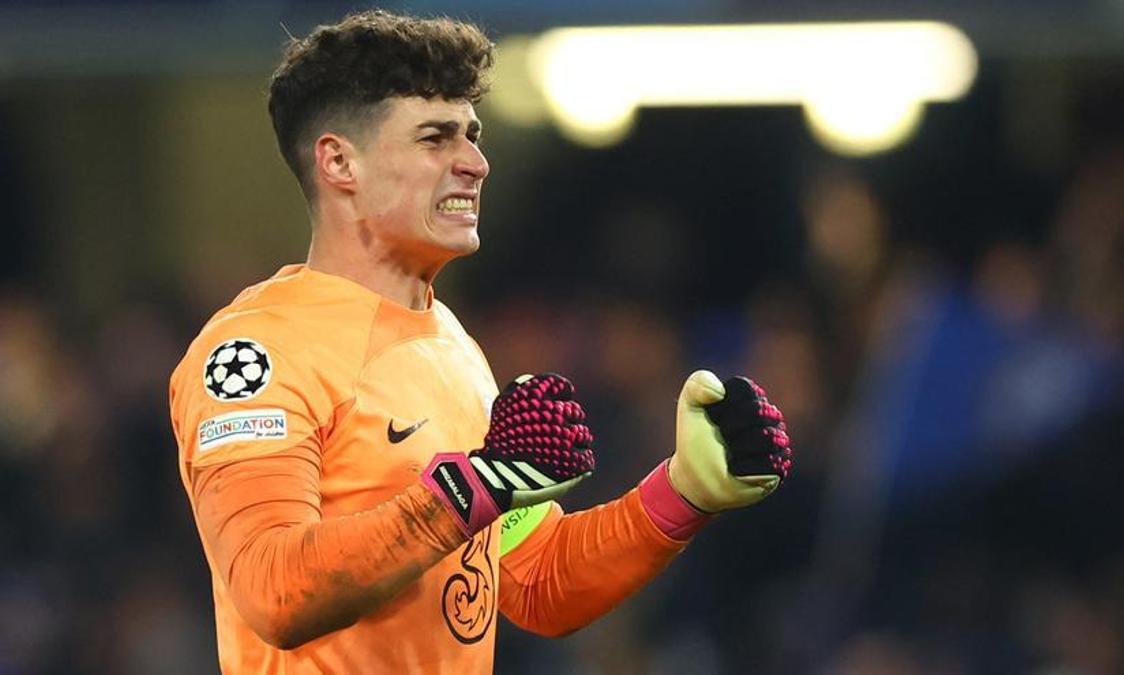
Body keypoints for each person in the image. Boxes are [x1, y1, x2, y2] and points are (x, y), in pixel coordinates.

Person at [168, 9, 793, 673]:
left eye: (472, 136)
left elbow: (532, 579)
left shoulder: (452, 346)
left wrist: (682, 491)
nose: (475, 163)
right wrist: (473, 487)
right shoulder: (256, 349)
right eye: (436, 139)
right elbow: (271, 589)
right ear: (338, 160)